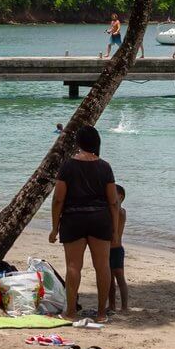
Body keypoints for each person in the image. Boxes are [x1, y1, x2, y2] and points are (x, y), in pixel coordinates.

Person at [49, 125, 119, 322]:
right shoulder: (105, 167)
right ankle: (101, 313)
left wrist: (54, 227)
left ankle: (71, 312)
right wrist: (114, 230)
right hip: (100, 219)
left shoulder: (68, 166)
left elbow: (58, 199)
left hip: (74, 219)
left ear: (78, 143)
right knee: (102, 266)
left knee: (73, 266)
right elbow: (113, 201)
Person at [107, 184, 129, 313]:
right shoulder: (110, 210)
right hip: (106, 250)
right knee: (109, 280)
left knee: (120, 278)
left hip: (116, 250)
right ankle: (112, 305)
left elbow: (117, 209)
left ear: (120, 197)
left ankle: (124, 306)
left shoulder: (121, 212)